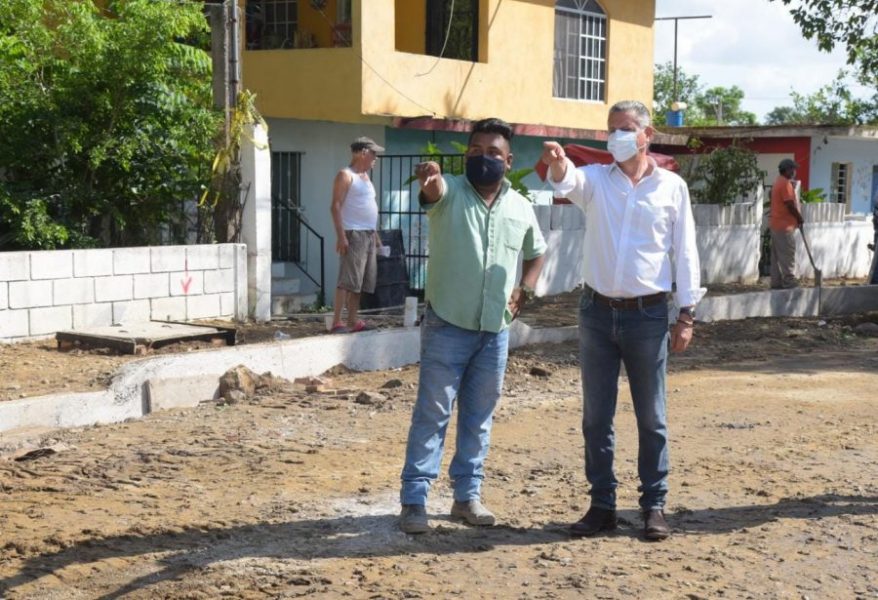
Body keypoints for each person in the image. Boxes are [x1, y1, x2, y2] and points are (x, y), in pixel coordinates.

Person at [541, 100, 704, 541]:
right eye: (611, 129)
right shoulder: (596, 180)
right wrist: (558, 162)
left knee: (652, 418)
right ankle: (602, 506)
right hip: (596, 313)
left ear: (647, 134)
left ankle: (654, 505)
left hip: (648, 316)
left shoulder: (671, 187)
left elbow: (685, 251)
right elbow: (568, 181)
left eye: (625, 128)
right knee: (597, 417)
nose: (616, 136)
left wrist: (686, 313)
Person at [399, 118, 547, 534]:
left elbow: (537, 252)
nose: (484, 158)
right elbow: (433, 192)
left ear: (509, 160)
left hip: (495, 330)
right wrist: (430, 180)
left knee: (479, 417)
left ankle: (467, 497)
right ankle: (414, 500)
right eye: (476, 151)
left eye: (493, 153)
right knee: (433, 413)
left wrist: (525, 288)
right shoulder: (449, 192)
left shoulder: (520, 206)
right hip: (447, 324)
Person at [329, 137, 384, 333]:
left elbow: (366, 208)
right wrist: (341, 236)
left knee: (360, 282)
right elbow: (335, 206)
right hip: (353, 233)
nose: (375, 158)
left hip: (367, 234)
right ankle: (337, 322)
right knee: (347, 279)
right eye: (373, 153)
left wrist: (375, 236)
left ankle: (353, 321)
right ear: (363, 153)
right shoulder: (346, 175)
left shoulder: (366, 178)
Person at [769, 158, 804, 289]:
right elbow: (789, 204)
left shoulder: (778, 181)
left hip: (776, 225)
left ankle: (776, 282)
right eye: (793, 169)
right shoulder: (785, 184)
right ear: (787, 170)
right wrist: (799, 218)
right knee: (787, 255)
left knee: (776, 257)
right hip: (784, 227)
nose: (794, 172)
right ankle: (789, 281)